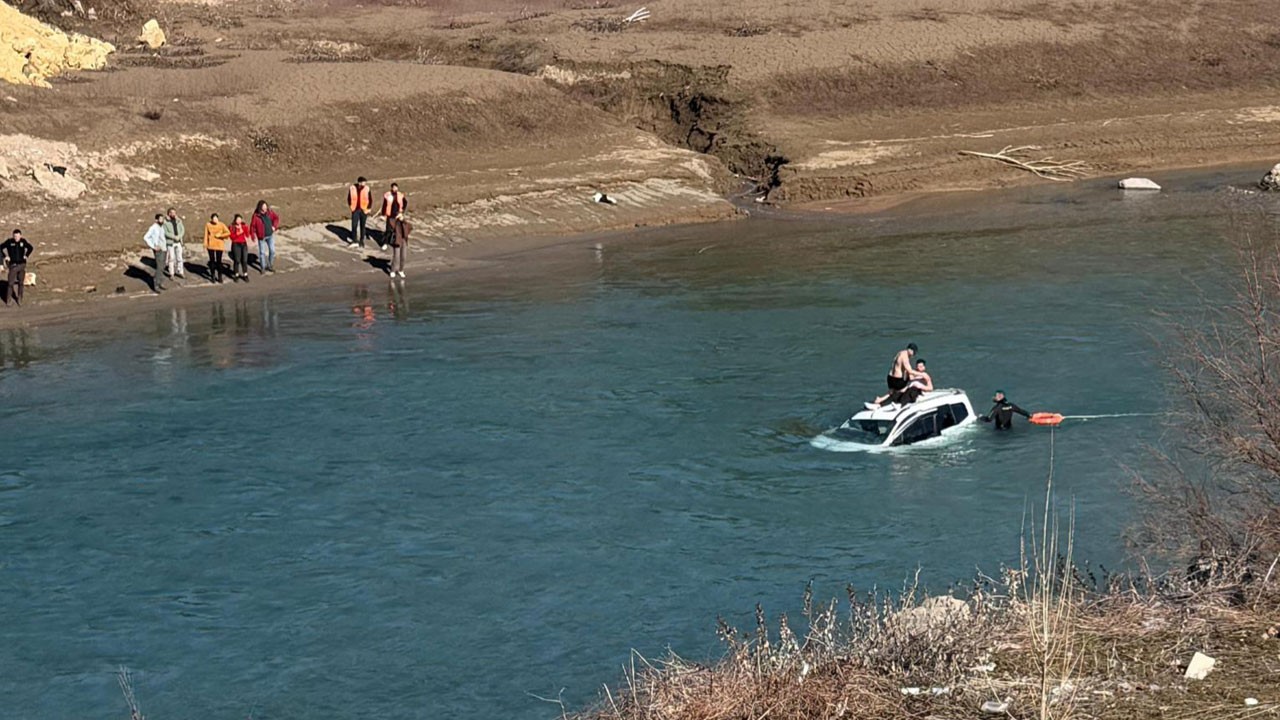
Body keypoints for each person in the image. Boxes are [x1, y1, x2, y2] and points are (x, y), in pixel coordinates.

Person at [867, 342, 920, 409]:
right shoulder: (905, 357)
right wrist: (922, 375)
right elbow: (910, 371)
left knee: (891, 392)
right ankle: (896, 402)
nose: (913, 355)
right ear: (911, 350)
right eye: (914, 353)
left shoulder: (900, 353)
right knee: (908, 387)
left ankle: (879, 400)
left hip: (890, 378)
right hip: (897, 380)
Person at [1, 229, 33, 306]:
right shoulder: (9, 242)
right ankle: (8, 300)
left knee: (21, 283)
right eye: (15, 236)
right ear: (13, 236)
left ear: (20, 236)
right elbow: (0, 247)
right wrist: (5, 256)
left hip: (22, 264)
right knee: (10, 283)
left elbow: (30, 248)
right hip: (13, 264)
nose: (16, 238)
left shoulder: (23, 241)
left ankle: (19, 299)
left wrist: (26, 255)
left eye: (18, 236)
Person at [250, 200, 280, 273]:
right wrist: (253, 236)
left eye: (265, 209)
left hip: (270, 236)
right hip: (261, 237)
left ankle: (270, 265)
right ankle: (263, 267)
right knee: (262, 253)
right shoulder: (255, 216)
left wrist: (274, 226)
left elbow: (276, 218)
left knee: (272, 251)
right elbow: (252, 226)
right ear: (259, 209)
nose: (264, 211)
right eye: (263, 209)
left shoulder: (270, 212)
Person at [378, 182, 408, 250]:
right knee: (388, 230)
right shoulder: (387, 195)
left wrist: (402, 211)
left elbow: (405, 203)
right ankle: (385, 243)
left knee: (397, 230)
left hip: (397, 215)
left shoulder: (400, 195)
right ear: (391, 188)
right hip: (389, 215)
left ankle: (396, 243)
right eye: (393, 187)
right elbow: (384, 205)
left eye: (396, 187)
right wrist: (383, 214)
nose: (395, 189)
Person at [143, 214, 168, 292]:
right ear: (156, 220)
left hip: (164, 248)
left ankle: (160, 282)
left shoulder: (163, 227)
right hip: (158, 249)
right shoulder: (153, 228)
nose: (162, 220)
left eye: (162, 219)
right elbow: (146, 237)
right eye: (160, 219)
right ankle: (156, 284)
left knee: (163, 266)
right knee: (159, 266)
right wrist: (153, 246)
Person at [204, 213, 230, 283]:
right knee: (212, 261)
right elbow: (206, 234)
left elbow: (228, 232)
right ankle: (212, 276)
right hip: (211, 245)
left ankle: (219, 276)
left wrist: (220, 235)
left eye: (216, 218)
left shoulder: (221, 224)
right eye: (213, 218)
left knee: (219, 261)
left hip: (219, 245)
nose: (215, 220)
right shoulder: (208, 225)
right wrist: (205, 244)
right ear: (211, 219)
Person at [348, 176, 372, 247]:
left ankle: (362, 241)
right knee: (354, 225)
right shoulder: (352, 188)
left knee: (362, 225)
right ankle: (354, 240)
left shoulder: (367, 189)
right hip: (355, 209)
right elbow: (349, 198)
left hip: (364, 210)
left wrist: (369, 208)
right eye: (363, 182)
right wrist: (351, 206)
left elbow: (370, 199)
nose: (365, 183)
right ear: (359, 182)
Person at [163, 207, 186, 280]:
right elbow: (166, 232)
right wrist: (173, 237)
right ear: (168, 213)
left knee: (179, 257)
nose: (173, 214)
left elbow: (182, 229)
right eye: (171, 212)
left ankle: (180, 271)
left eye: (174, 212)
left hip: (178, 241)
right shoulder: (165, 222)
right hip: (171, 242)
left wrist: (179, 236)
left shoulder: (178, 221)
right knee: (171, 258)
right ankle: (171, 273)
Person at [387, 214, 412, 278]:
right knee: (396, 256)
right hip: (396, 240)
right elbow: (392, 227)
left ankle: (401, 270)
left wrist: (403, 220)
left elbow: (409, 228)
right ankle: (392, 270)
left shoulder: (404, 221)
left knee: (403, 256)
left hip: (403, 239)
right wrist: (397, 220)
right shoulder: (392, 220)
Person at [228, 214, 251, 281]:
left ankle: (245, 274)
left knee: (244, 260)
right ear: (235, 220)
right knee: (237, 260)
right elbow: (231, 237)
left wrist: (245, 229)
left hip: (243, 244)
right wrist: (237, 233)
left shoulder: (243, 226)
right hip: (236, 244)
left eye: (240, 219)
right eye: (238, 219)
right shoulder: (232, 227)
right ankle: (236, 274)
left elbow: (247, 235)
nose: (239, 221)